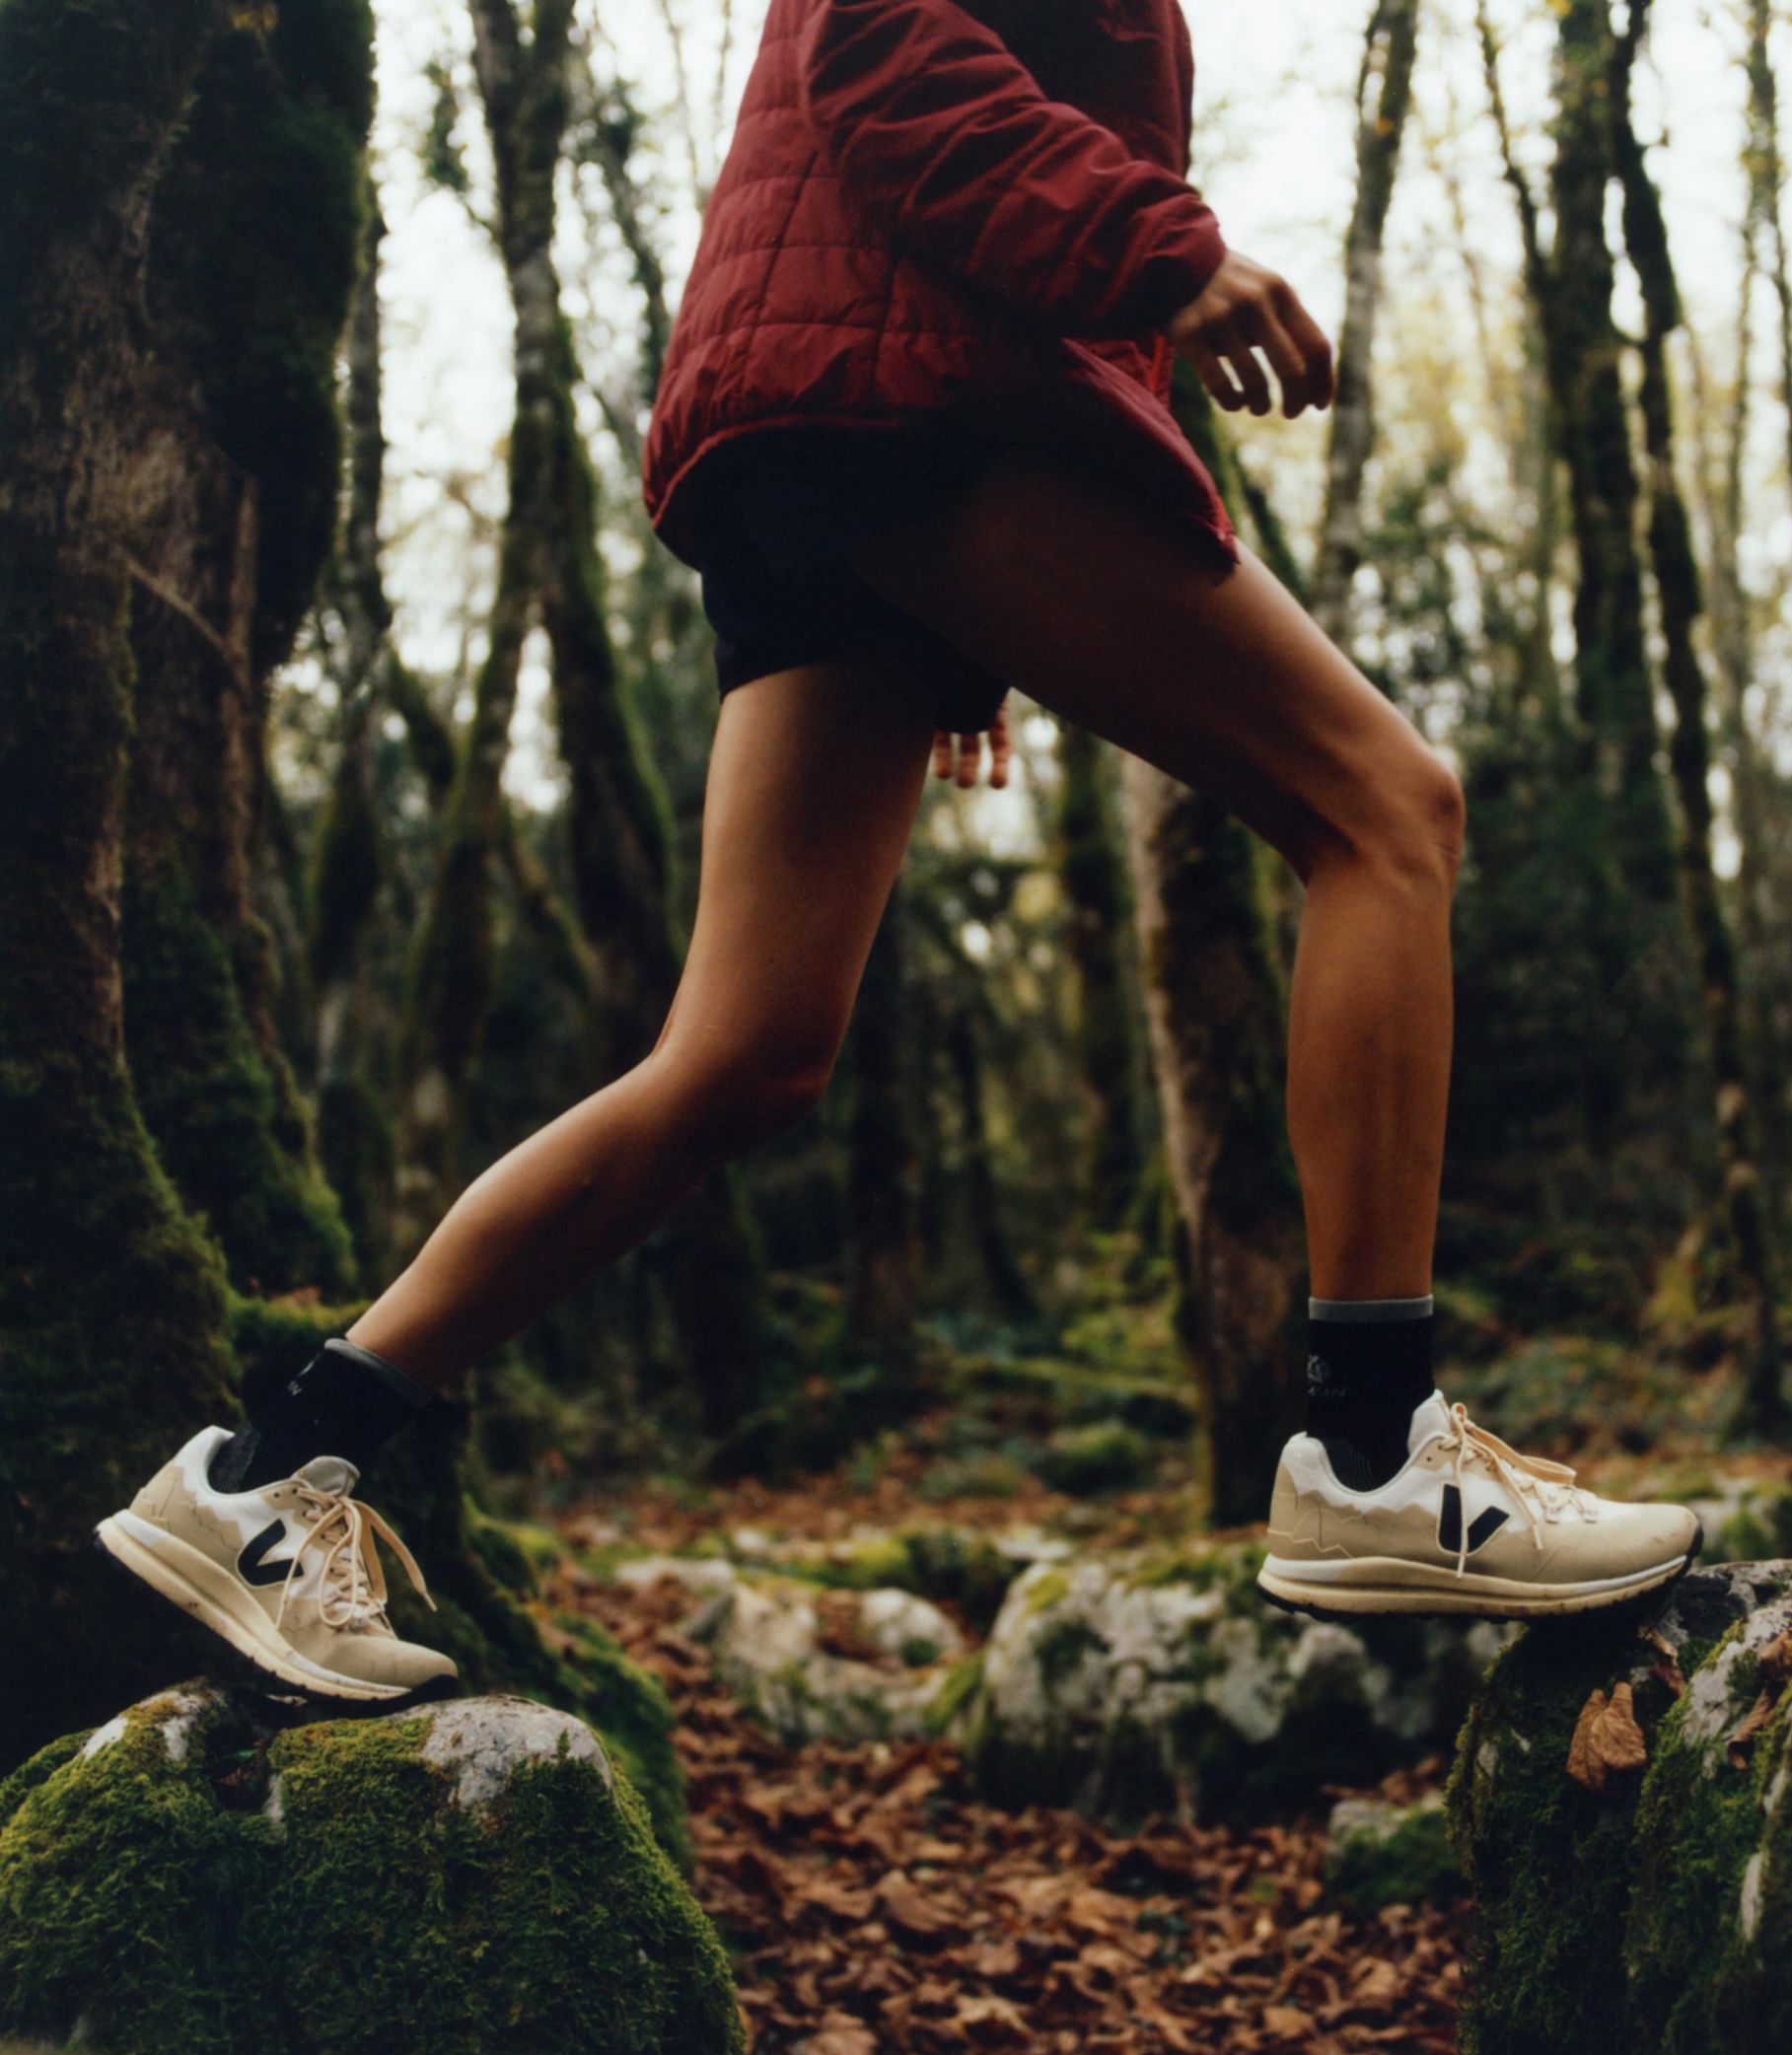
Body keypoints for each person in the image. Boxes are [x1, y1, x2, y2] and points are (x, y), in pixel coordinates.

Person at [96, 0, 1699, 1705]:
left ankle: (270, 1472)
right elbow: (879, 46)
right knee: (1386, 811)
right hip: (904, 407)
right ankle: (1379, 1456)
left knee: (744, 1054)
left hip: (834, 434)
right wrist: (1163, 255)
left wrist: (957, 628)